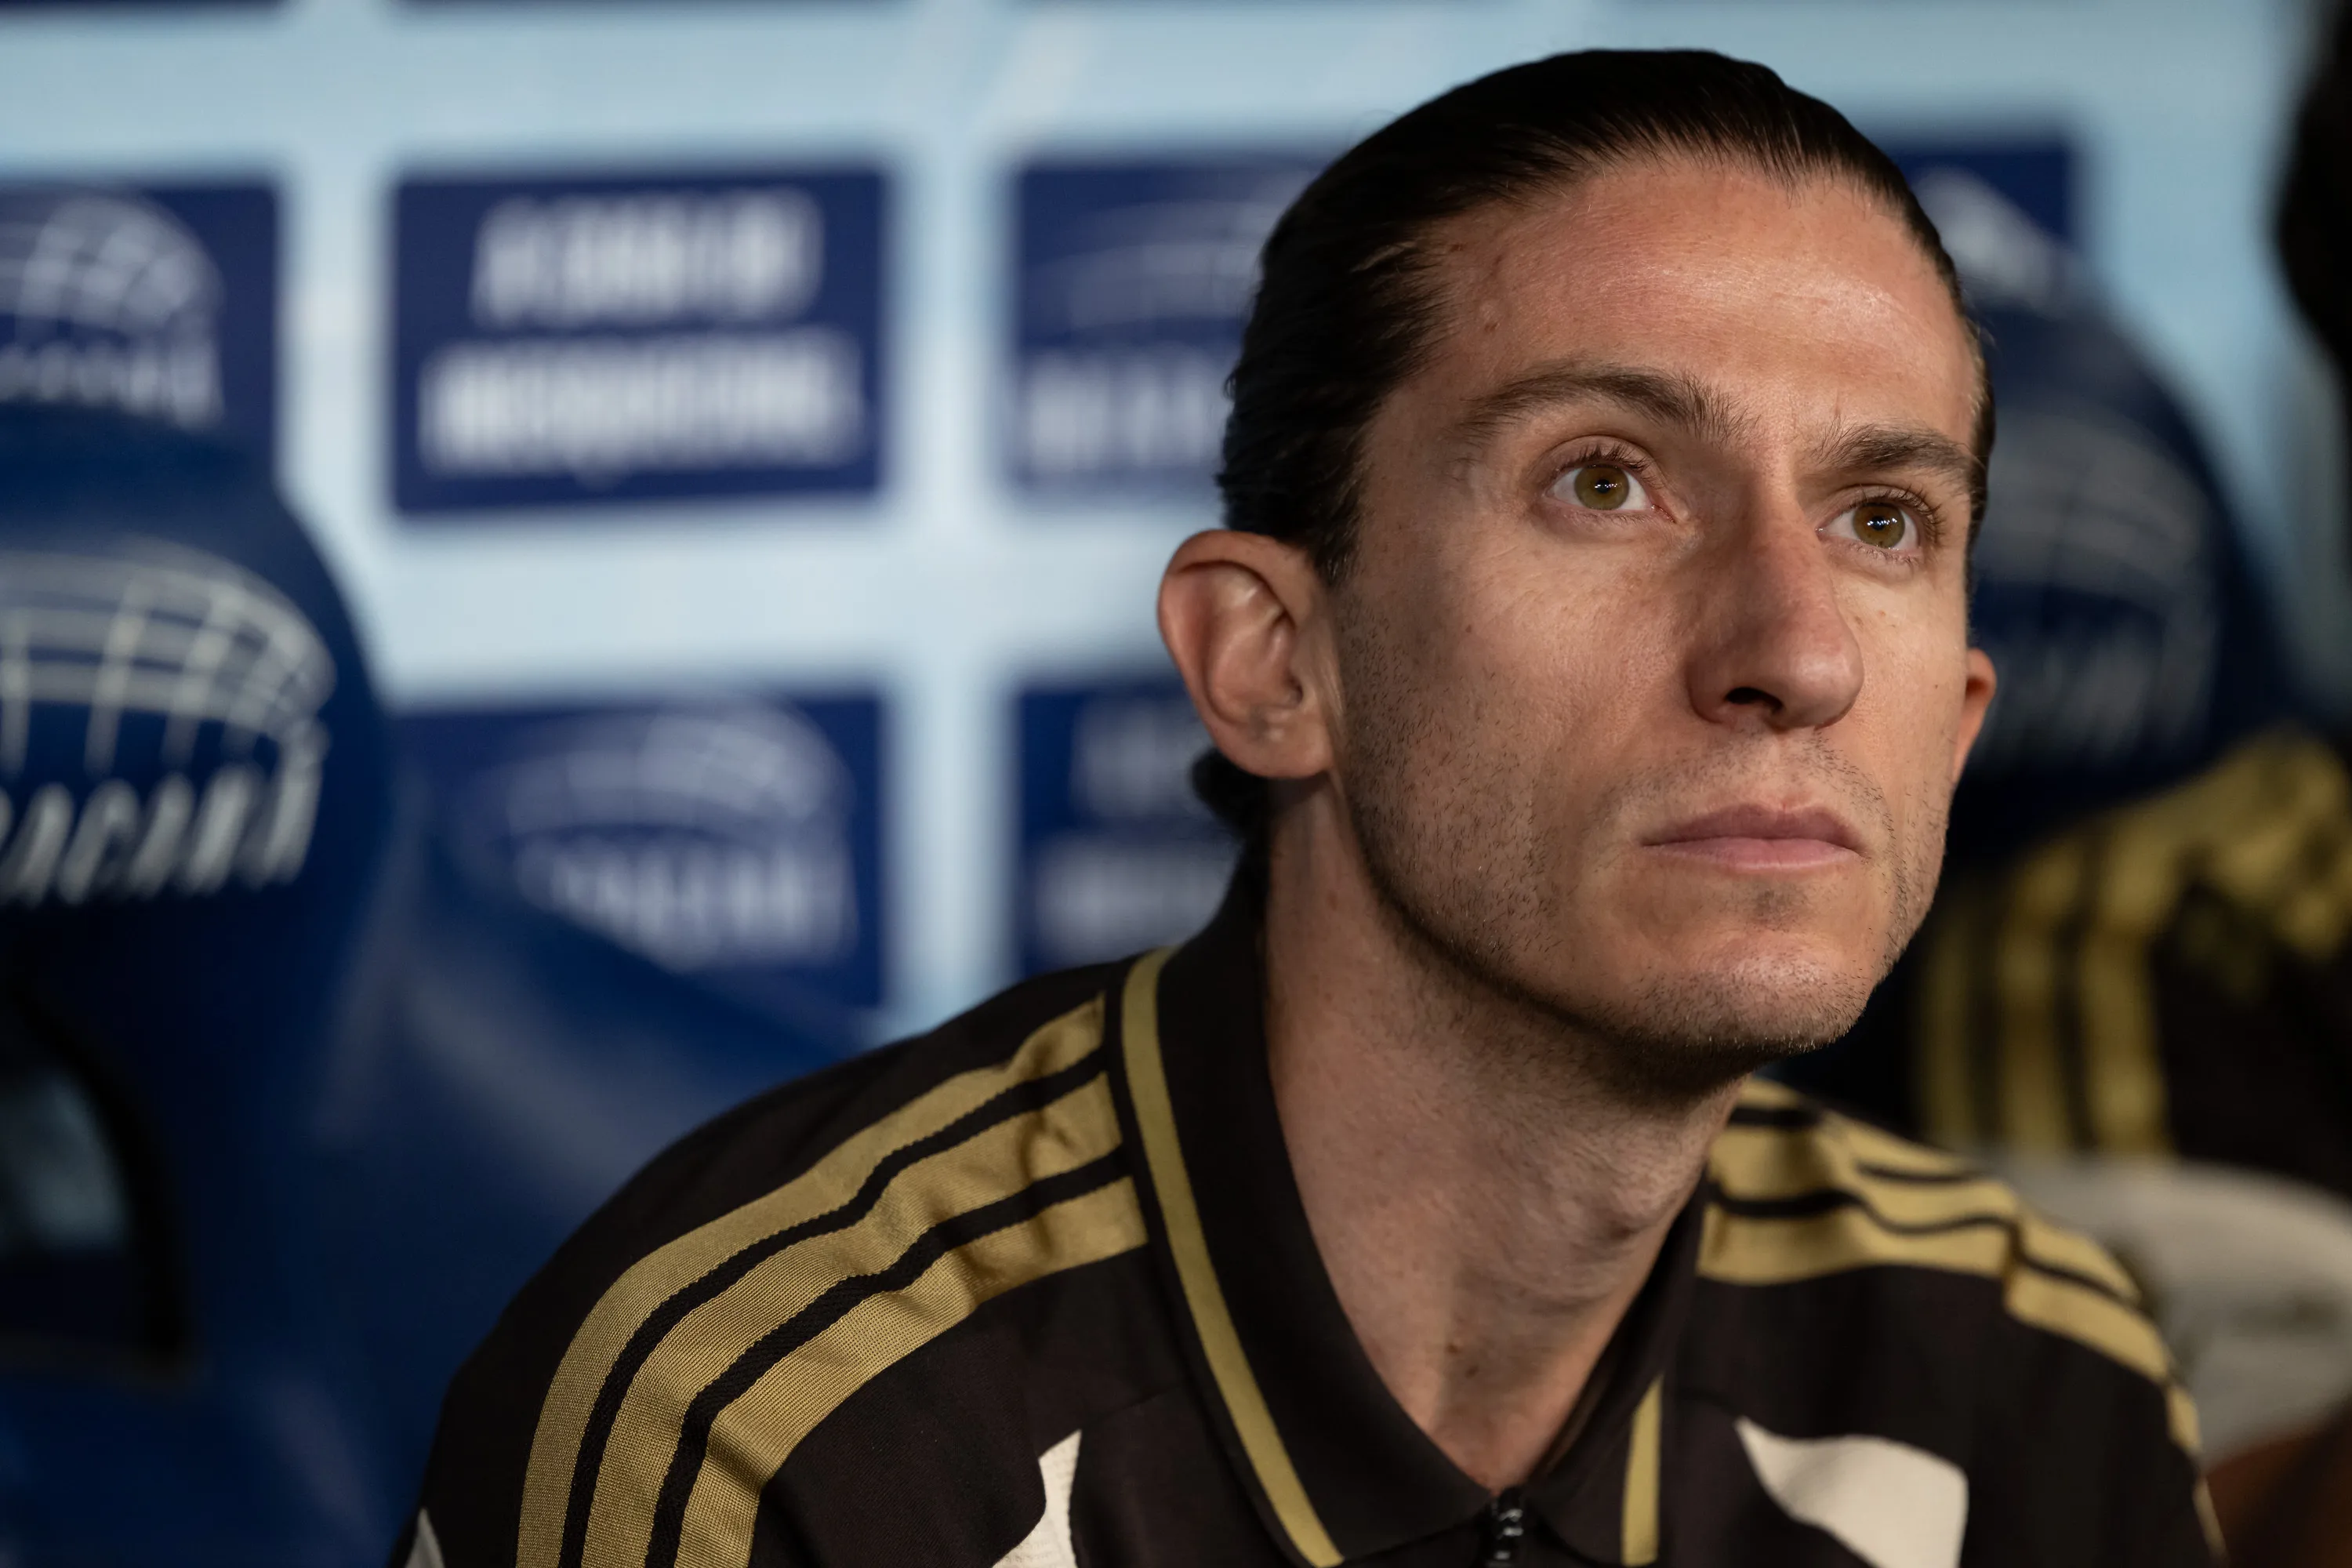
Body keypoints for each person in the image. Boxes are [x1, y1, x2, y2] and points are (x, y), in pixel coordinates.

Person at [396, 52, 2216, 1567]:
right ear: (1273, 660)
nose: (1795, 651)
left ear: (1955, 727)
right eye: (1606, 481)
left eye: (1885, 518)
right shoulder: (773, 1428)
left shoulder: (2030, 1380)